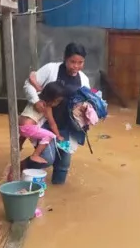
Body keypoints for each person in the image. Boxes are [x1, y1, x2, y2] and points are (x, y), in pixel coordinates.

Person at [19, 42, 91, 185]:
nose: (76, 66)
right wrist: (35, 101)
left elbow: (87, 101)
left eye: (80, 62)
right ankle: (20, 167)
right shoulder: (51, 69)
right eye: (72, 62)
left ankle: (58, 193)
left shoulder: (83, 79)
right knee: (47, 158)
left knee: (63, 165)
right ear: (65, 58)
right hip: (45, 122)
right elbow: (28, 84)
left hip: (66, 126)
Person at [19, 82, 65, 163]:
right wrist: (58, 135)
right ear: (51, 98)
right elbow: (52, 123)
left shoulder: (35, 99)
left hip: (20, 126)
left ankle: (19, 145)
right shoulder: (46, 107)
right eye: (57, 101)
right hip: (28, 128)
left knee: (27, 130)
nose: (57, 104)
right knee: (50, 136)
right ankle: (35, 155)